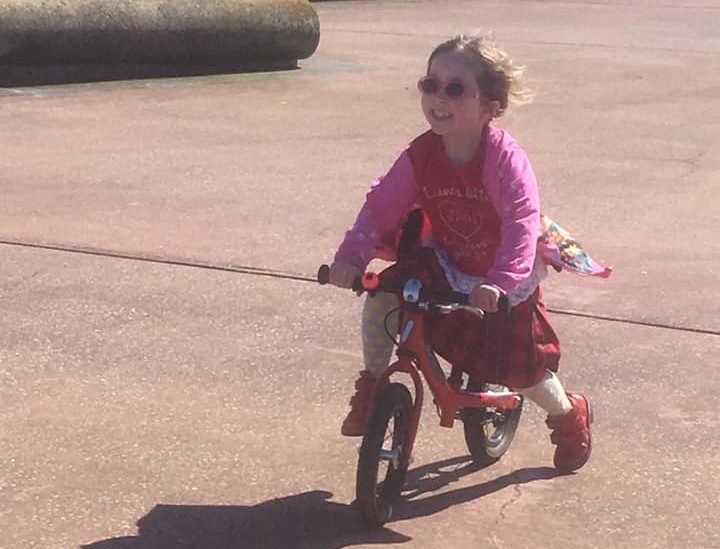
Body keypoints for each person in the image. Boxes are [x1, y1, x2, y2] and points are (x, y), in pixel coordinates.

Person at [328, 34, 600, 472]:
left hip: (503, 274)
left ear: (490, 105)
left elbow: (520, 223)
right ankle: (374, 384)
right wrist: (351, 258)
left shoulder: (505, 160)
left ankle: (568, 414)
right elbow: (381, 206)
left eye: (455, 88)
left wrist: (501, 282)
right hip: (450, 261)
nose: (439, 96)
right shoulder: (421, 154)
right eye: (430, 84)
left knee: (521, 372)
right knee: (384, 294)